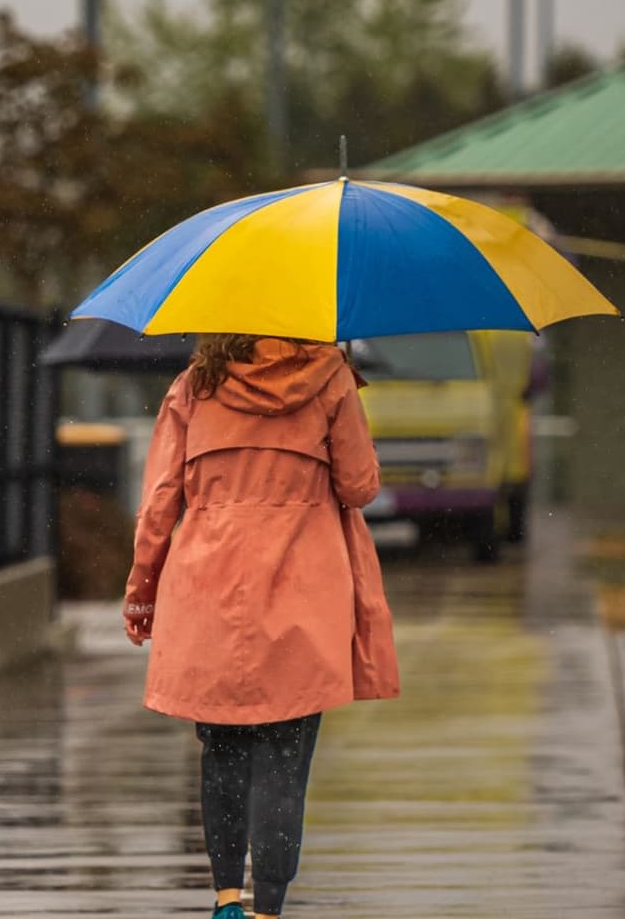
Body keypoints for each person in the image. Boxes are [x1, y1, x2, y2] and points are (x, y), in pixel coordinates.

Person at [122, 333, 399, 919]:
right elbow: (359, 487)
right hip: (304, 588)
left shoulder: (195, 386)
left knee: (221, 750)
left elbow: (160, 502)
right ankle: (269, 908)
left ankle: (227, 899)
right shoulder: (330, 380)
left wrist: (142, 592)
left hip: (209, 589)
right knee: (284, 756)